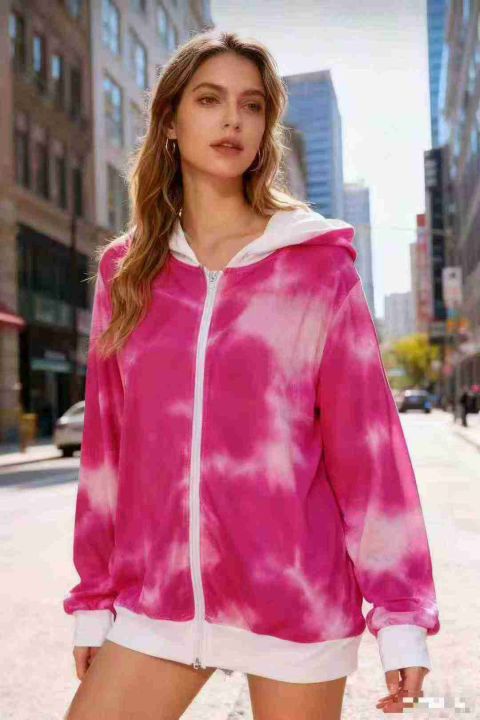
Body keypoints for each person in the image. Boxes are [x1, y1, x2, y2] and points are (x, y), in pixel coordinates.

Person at [63, 30, 440, 719]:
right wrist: (94, 599)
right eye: (209, 100)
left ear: (267, 128)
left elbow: (370, 453)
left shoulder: (315, 266)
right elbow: (106, 452)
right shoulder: (129, 271)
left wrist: (401, 616)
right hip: (160, 598)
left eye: (252, 105)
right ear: (171, 121)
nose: (232, 120)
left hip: (294, 596)